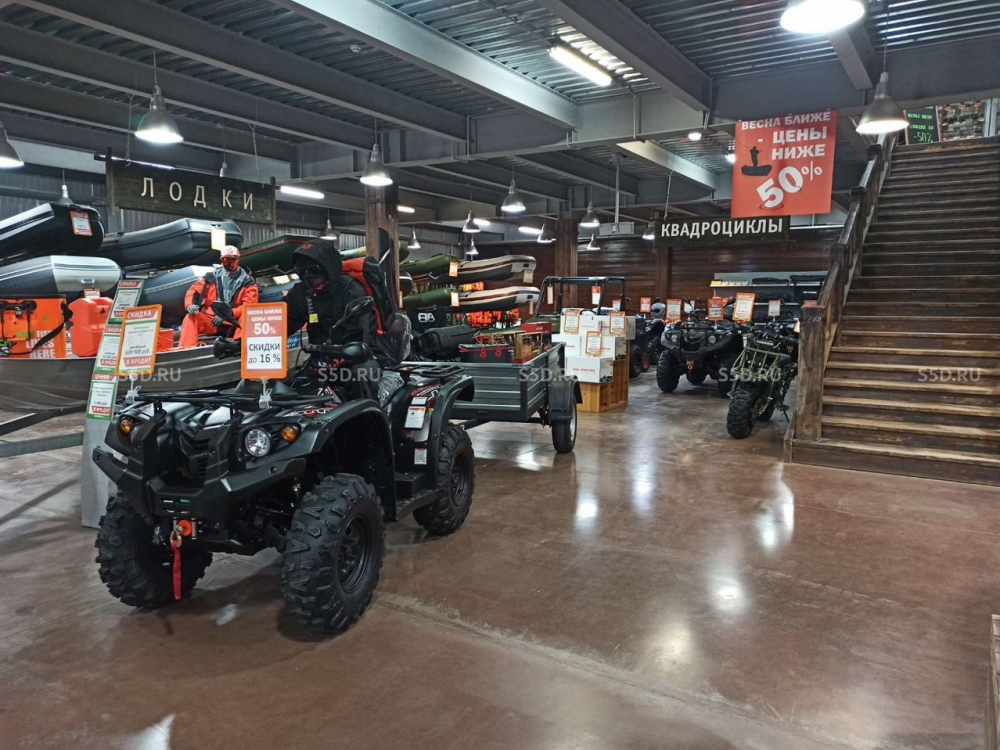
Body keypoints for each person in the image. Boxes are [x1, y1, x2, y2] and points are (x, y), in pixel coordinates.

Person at [179, 245, 259, 348]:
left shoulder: (248, 282)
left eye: (232, 259)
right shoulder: (211, 277)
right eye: (225, 259)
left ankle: (238, 347)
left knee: (247, 316)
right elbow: (193, 290)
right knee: (191, 317)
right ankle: (186, 348)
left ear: (237, 259)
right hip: (212, 321)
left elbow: (248, 306)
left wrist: (227, 314)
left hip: (233, 324)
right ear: (222, 260)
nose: (229, 262)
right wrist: (190, 305)